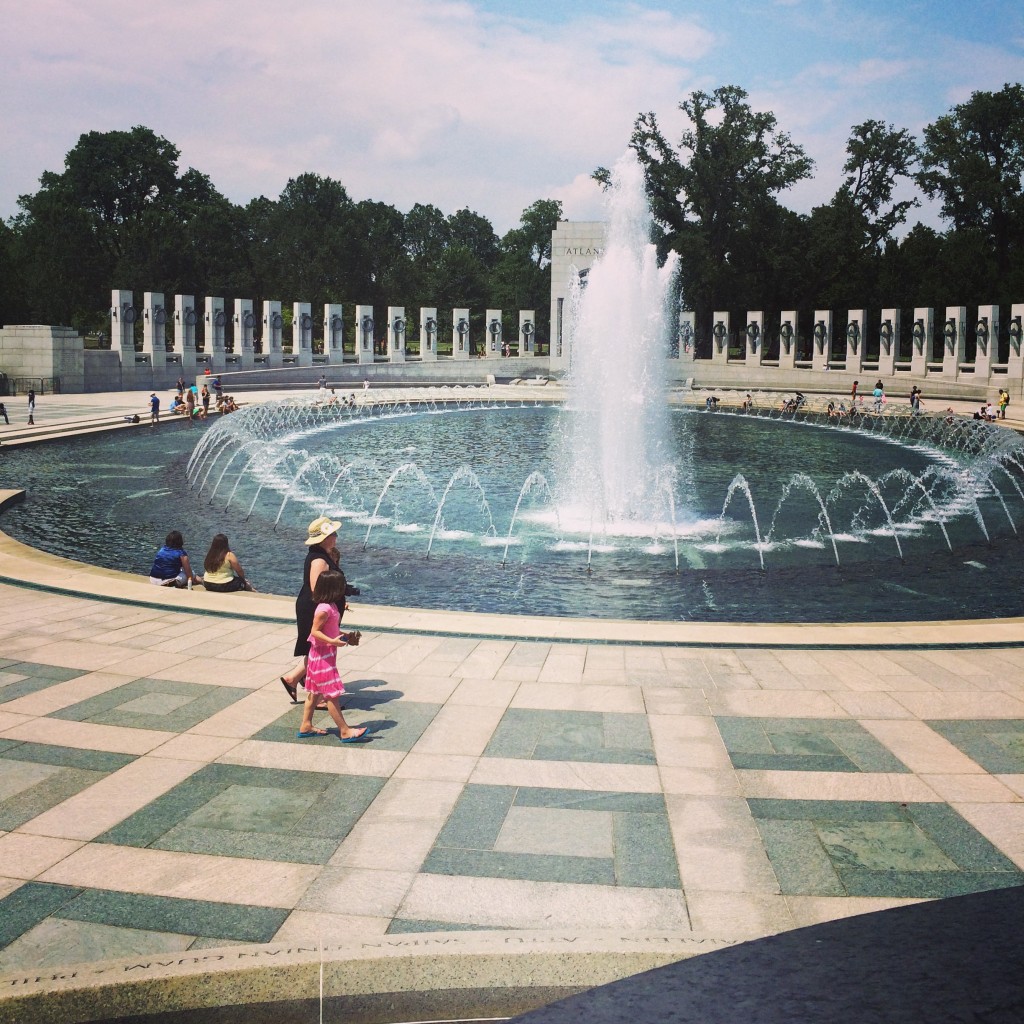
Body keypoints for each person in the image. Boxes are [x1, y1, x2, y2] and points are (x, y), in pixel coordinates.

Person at [280, 516, 347, 704]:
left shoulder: (323, 555)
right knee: (319, 650)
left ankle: (295, 680)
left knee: (316, 650)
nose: (336, 536)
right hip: (315, 611)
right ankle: (316, 692)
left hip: (320, 610)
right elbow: (317, 590)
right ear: (325, 538)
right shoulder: (319, 560)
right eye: (333, 533)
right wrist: (328, 612)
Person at [296, 570, 368, 742]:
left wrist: (346, 636)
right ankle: (344, 731)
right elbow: (314, 632)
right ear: (332, 589)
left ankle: (306, 725)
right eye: (341, 586)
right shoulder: (323, 609)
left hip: (323, 656)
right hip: (321, 658)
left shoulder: (332, 606)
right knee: (331, 695)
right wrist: (333, 642)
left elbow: (331, 630)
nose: (344, 589)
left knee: (314, 694)